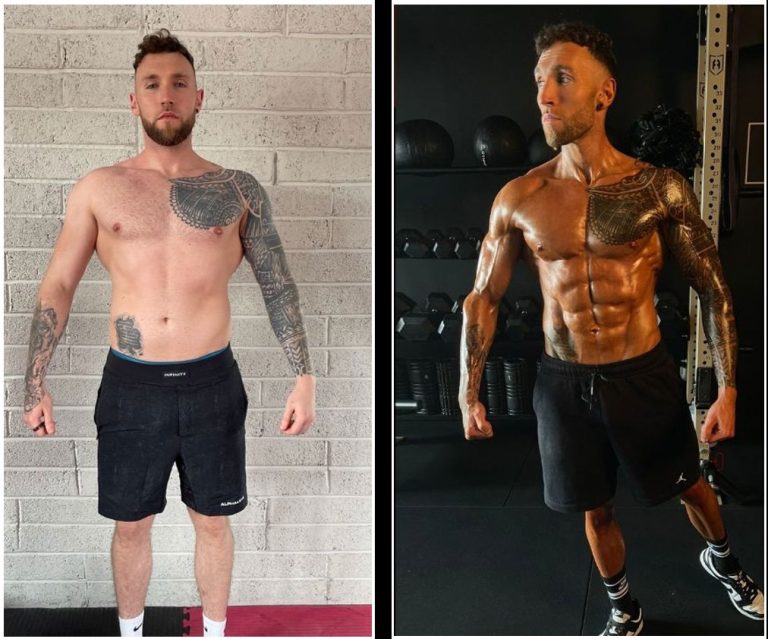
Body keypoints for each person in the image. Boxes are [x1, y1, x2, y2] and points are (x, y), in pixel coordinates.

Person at [458, 22, 763, 636]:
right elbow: (482, 298)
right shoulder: (519, 196)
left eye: (562, 79)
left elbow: (713, 288)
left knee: (694, 488)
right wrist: (470, 388)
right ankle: (624, 606)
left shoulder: (658, 187)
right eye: (540, 80)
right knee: (595, 509)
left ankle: (726, 563)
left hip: (642, 373)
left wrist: (728, 389)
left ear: (605, 93)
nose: (544, 95)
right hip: (564, 382)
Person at [21, 29, 316, 638]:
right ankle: (131, 634)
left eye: (179, 83)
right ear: (133, 100)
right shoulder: (99, 188)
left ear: (199, 97)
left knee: (212, 521)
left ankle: (212, 633)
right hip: (131, 388)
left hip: (212, 382)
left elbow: (278, 285)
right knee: (131, 525)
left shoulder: (238, 189)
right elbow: (57, 288)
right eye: (152, 84)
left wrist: (303, 376)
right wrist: (35, 382)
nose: (166, 95)